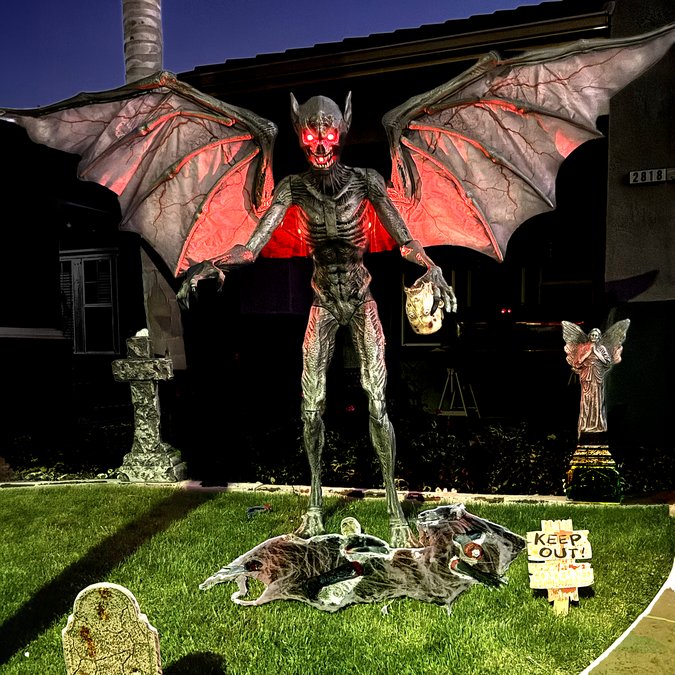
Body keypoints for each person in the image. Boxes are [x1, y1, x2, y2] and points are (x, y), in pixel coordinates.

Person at [179, 94, 456, 547]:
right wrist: (213, 263)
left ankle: (393, 508)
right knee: (310, 406)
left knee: (377, 402)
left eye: (328, 134)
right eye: (311, 136)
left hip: (362, 300)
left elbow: (405, 240)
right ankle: (313, 505)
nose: (321, 145)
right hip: (323, 302)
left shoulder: (366, 181)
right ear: (298, 133)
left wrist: (432, 265)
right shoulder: (293, 188)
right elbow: (251, 248)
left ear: (343, 130)